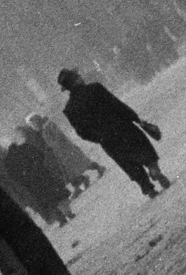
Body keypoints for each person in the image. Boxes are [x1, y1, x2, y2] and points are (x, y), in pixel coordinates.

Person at [56, 70, 171, 198]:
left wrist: (99, 138)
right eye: (78, 76)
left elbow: (82, 133)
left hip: (107, 140)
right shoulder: (95, 88)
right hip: (123, 126)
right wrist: (136, 118)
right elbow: (117, 105)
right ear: (75, 80)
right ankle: (153, 169)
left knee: (128, 163)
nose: (81, 77)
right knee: (142, 149)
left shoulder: (69, 109)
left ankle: (148, 188)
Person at [3, 125, 73, 226]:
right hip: (43, 175)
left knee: (48, 201)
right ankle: (68, 213)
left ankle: (61, 219)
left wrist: (25, 179)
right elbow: (40, 155)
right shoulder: (25, 147)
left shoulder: (7, 161)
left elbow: (13, 176)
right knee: (57, 195)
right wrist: (38, 167)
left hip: (32, 184)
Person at [24, 113, 102, 194]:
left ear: (37, 120)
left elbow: (58, 135)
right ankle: (79, 184)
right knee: (70, 169)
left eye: (33, 125)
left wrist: (55, 144)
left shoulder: (49, 124)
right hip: (60, 152)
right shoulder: (43, 129)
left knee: (81, 162)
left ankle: (98, 168)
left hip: (66, 148)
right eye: (31, 126)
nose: (33, 127)